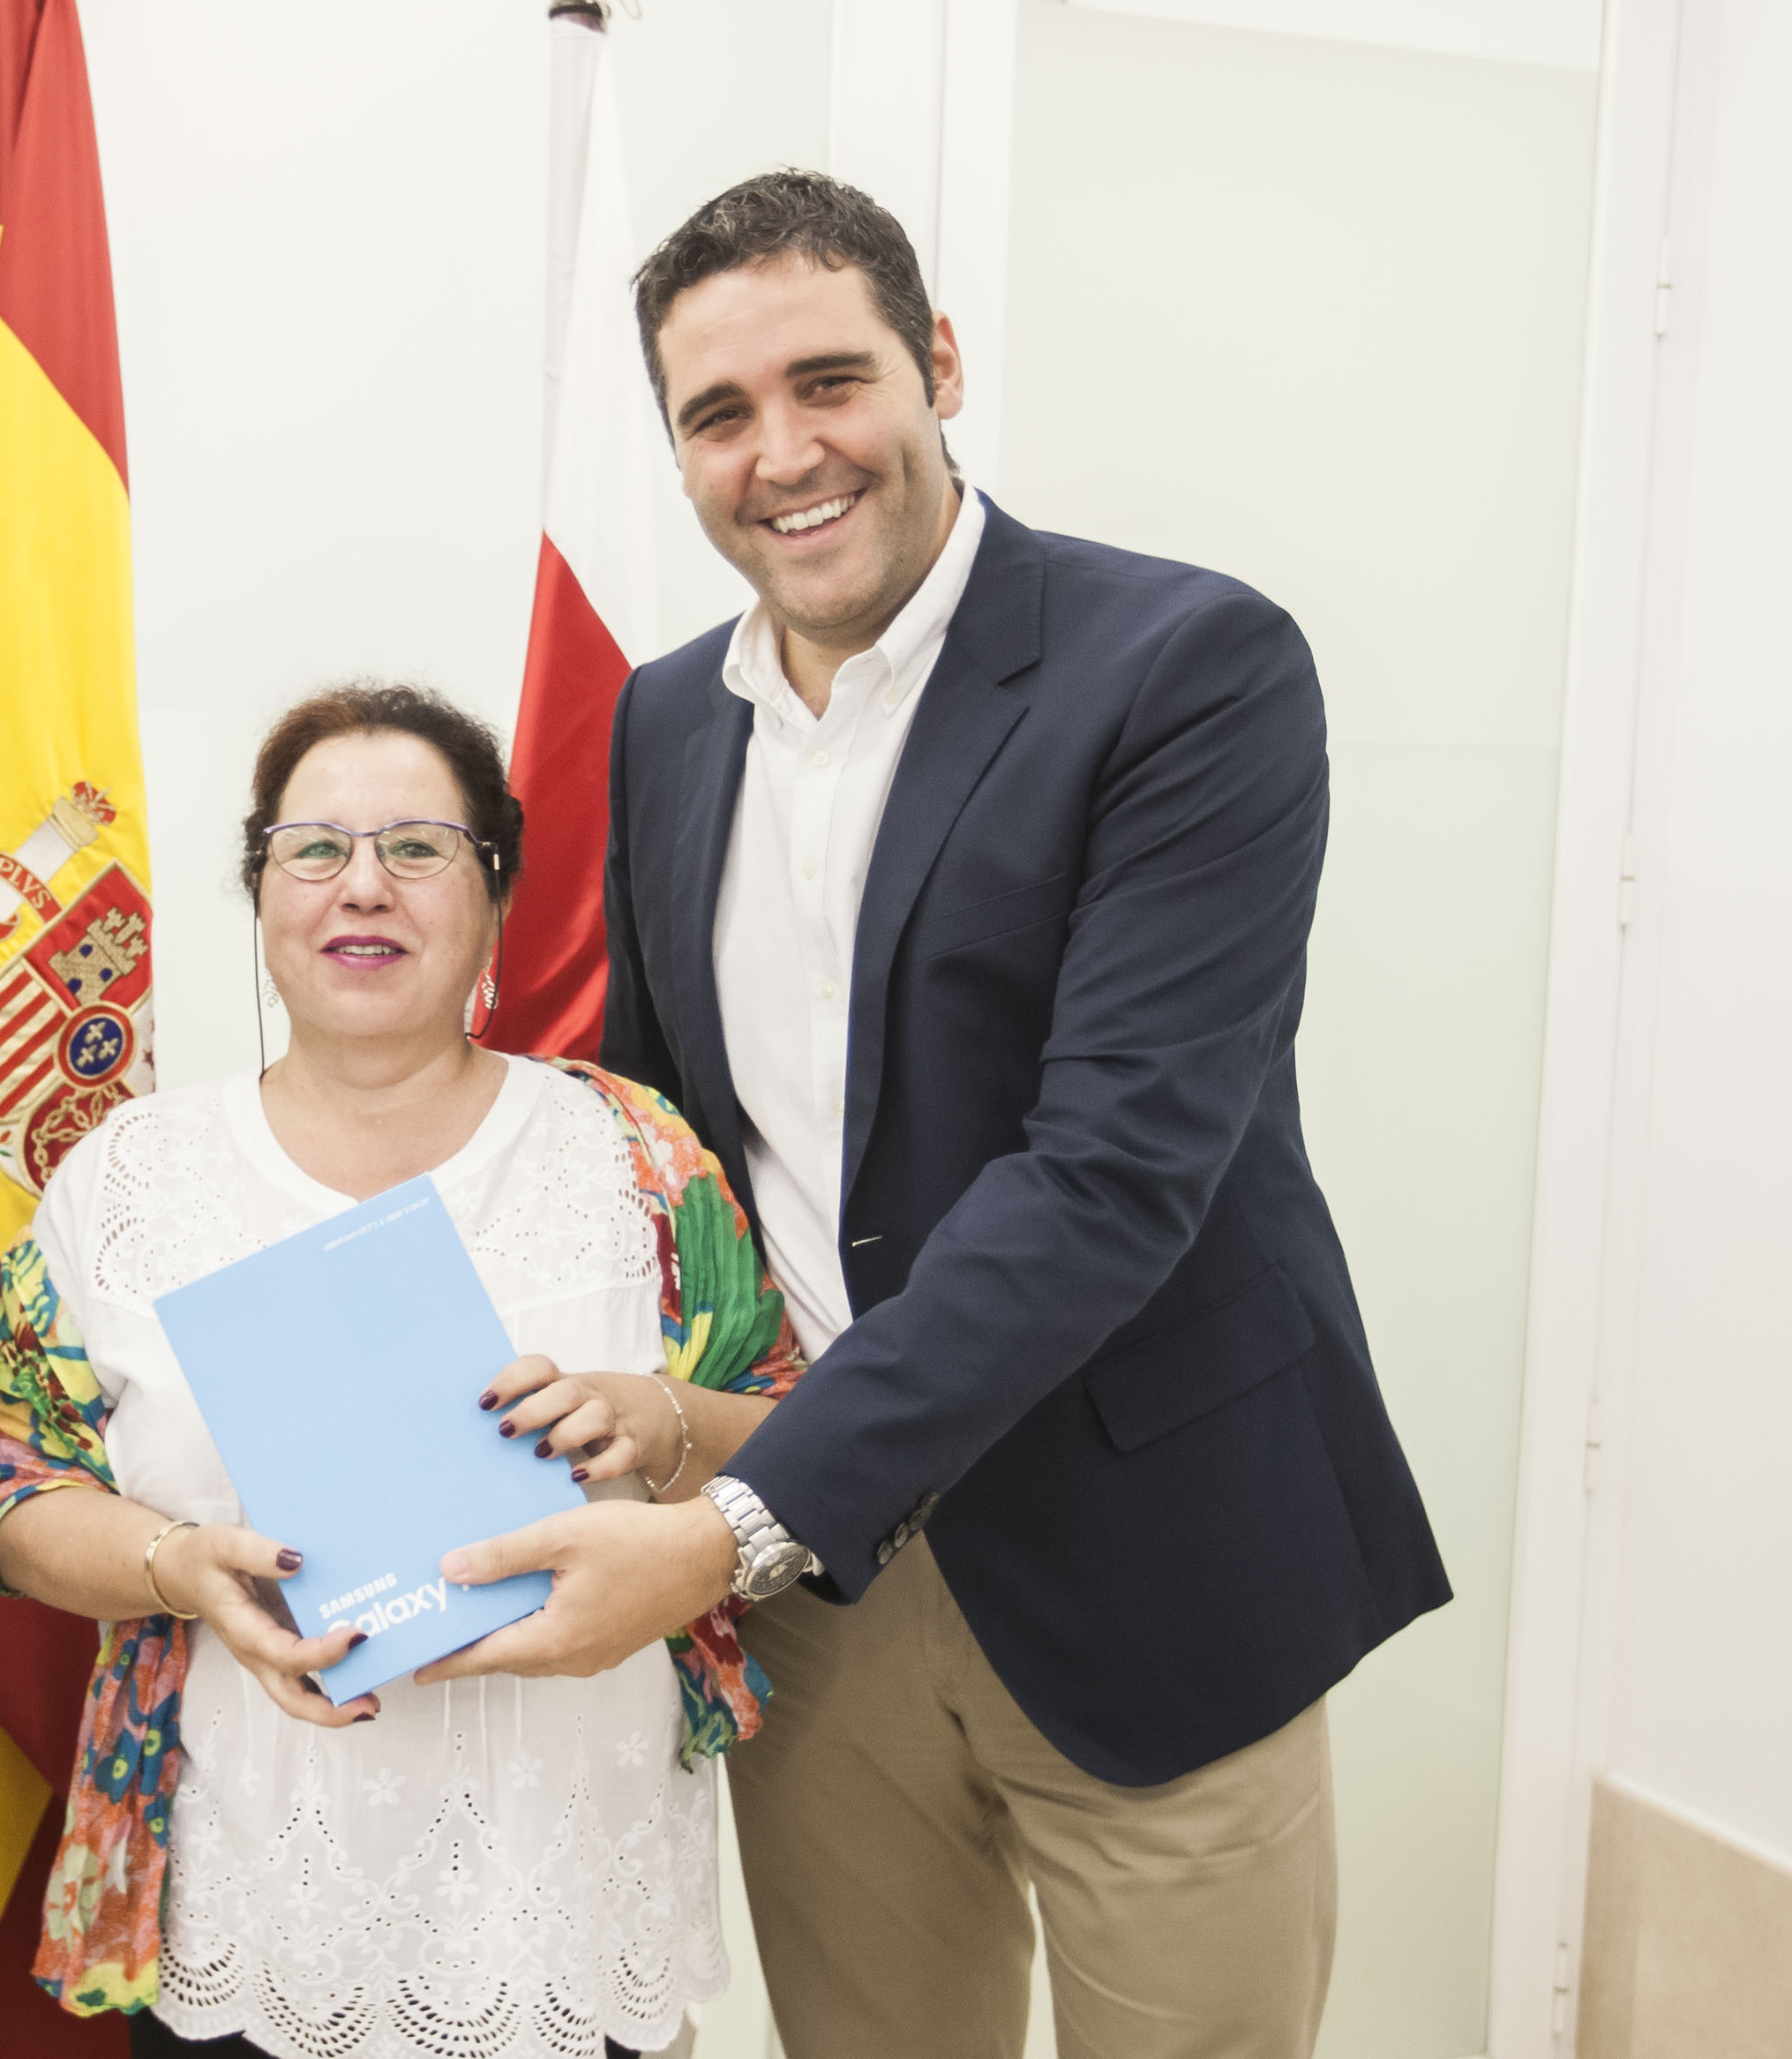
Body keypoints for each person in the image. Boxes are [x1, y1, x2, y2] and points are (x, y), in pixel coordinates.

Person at [424, 172, 1452, 2059]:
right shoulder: (663, 723)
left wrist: (728, 1526)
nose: (783, 454)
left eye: (830, 381)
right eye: (719, 414)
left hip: (1148, 1559)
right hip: (815, 1586)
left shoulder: (1190, 668)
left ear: (939, 364)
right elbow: (662, 1147)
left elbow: (1109, 1177)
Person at [0, 684, 806, 2059]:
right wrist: (180, 1567)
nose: (364, 886)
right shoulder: (126, 1179)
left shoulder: (633, 1155)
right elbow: (9, 1495)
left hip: (569, 1909)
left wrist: (658, 1418)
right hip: (244, 1898)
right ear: (259, 890)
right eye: (314, 848)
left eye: (418, 846)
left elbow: (802, 1441)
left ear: (496, 892)